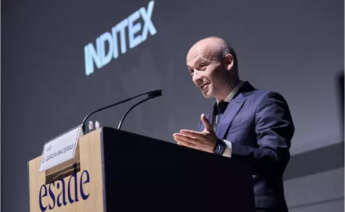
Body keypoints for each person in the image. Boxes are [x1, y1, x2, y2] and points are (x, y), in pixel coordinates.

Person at [173, 36, 294, 212]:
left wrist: (221, 148)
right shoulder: (205, 123)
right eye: (191, 71)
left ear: (228, 62)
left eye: (201, 67)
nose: (196, 78)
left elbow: (274, 159)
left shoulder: (265, 101)